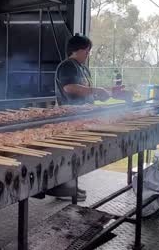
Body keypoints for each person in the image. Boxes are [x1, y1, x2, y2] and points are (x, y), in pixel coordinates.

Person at [48, 35, 111, 202]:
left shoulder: (83, 68)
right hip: (69, 116)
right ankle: (63, 188)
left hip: (84, 116)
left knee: (77, 154)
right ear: (79, 50)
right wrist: (96, 90)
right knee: (66, 154)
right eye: (87, 50)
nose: (88, 54)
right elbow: (69, 88)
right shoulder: (67, 65)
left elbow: (87, 92)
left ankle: (71, 185)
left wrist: (101, 95)